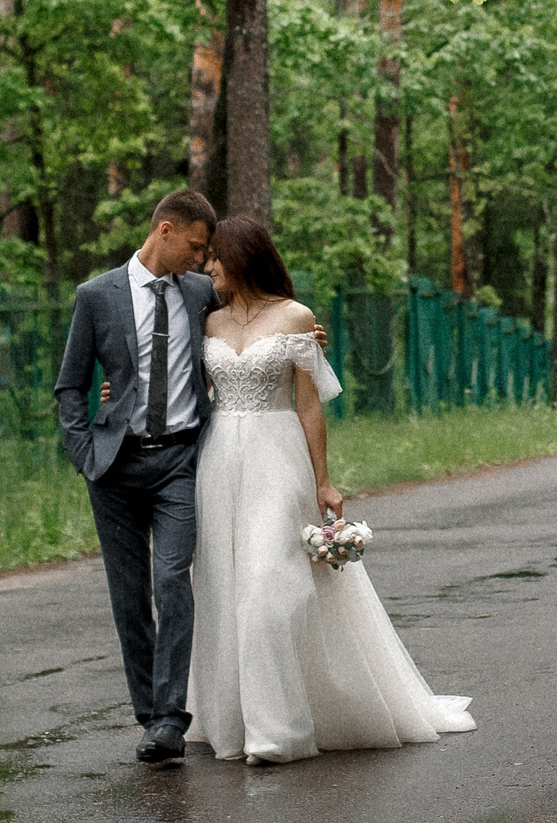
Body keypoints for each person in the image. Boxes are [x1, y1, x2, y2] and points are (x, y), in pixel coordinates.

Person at [188, 214, 477, 764]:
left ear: (241, 256)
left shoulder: (296, 317)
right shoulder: (208, 321)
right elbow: (188, 387)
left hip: (278, 459)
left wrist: (323, 478)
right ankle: (232, 718)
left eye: (215, 258)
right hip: (219, 459)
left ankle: (278, 734)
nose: (208, 267)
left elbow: (308, 402)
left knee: (271, 586)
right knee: (224, 586)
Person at [53, 187, 219, 765]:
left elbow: (254, 313)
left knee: (172, 581)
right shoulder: (95, 296)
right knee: (129, 597)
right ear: (166, 230)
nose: (200, 261)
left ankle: (172, 717)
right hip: (115, 466)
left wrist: (305, 335)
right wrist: (83, 451)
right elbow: (71, 384)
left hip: (178, 460)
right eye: (195, 248)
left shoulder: (201, 293)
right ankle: (151, 717)